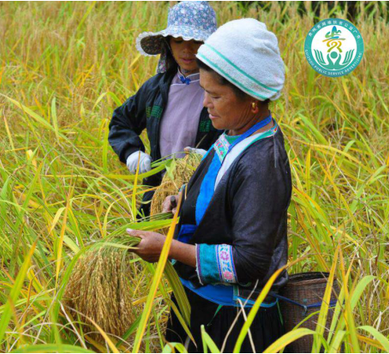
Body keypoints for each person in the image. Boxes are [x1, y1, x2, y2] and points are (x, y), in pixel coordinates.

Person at [127, 19, 291, 352]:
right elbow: (216, 193)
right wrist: (181, 201)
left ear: (253, 99)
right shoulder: (233, 134)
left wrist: (168, 249)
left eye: (215, 95)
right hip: (197, 302)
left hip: (232, 321)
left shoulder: (262, 164)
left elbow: (248, 262)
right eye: (204, 91)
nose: (205, 103)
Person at [108, 1, 222, 218]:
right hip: (156, 193)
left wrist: (210, 159)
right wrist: (132, 151)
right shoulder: (156, 89)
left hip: (204, 198)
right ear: (168, 43)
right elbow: (121, 121)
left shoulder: (224, 92)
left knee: (189, 250)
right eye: (179, 41)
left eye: (196, 41)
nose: (187, 49)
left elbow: (241, 141)